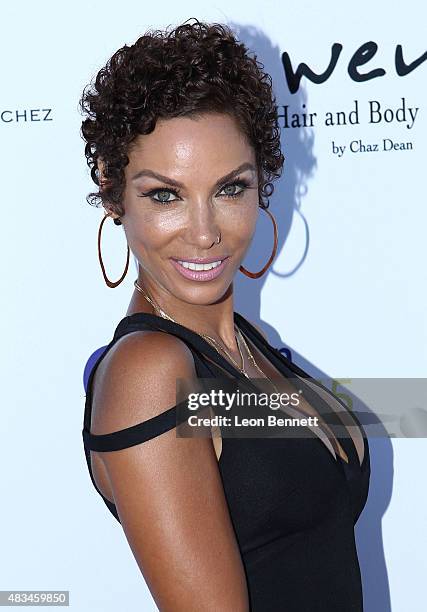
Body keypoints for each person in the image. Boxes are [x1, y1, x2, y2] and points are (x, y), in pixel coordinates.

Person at [80, 18, 370, 611]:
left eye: (229, 189)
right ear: (114, 194)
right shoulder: (149, 372)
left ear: (261, 183)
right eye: (166, 195)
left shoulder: (244, 344)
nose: (206, 232)